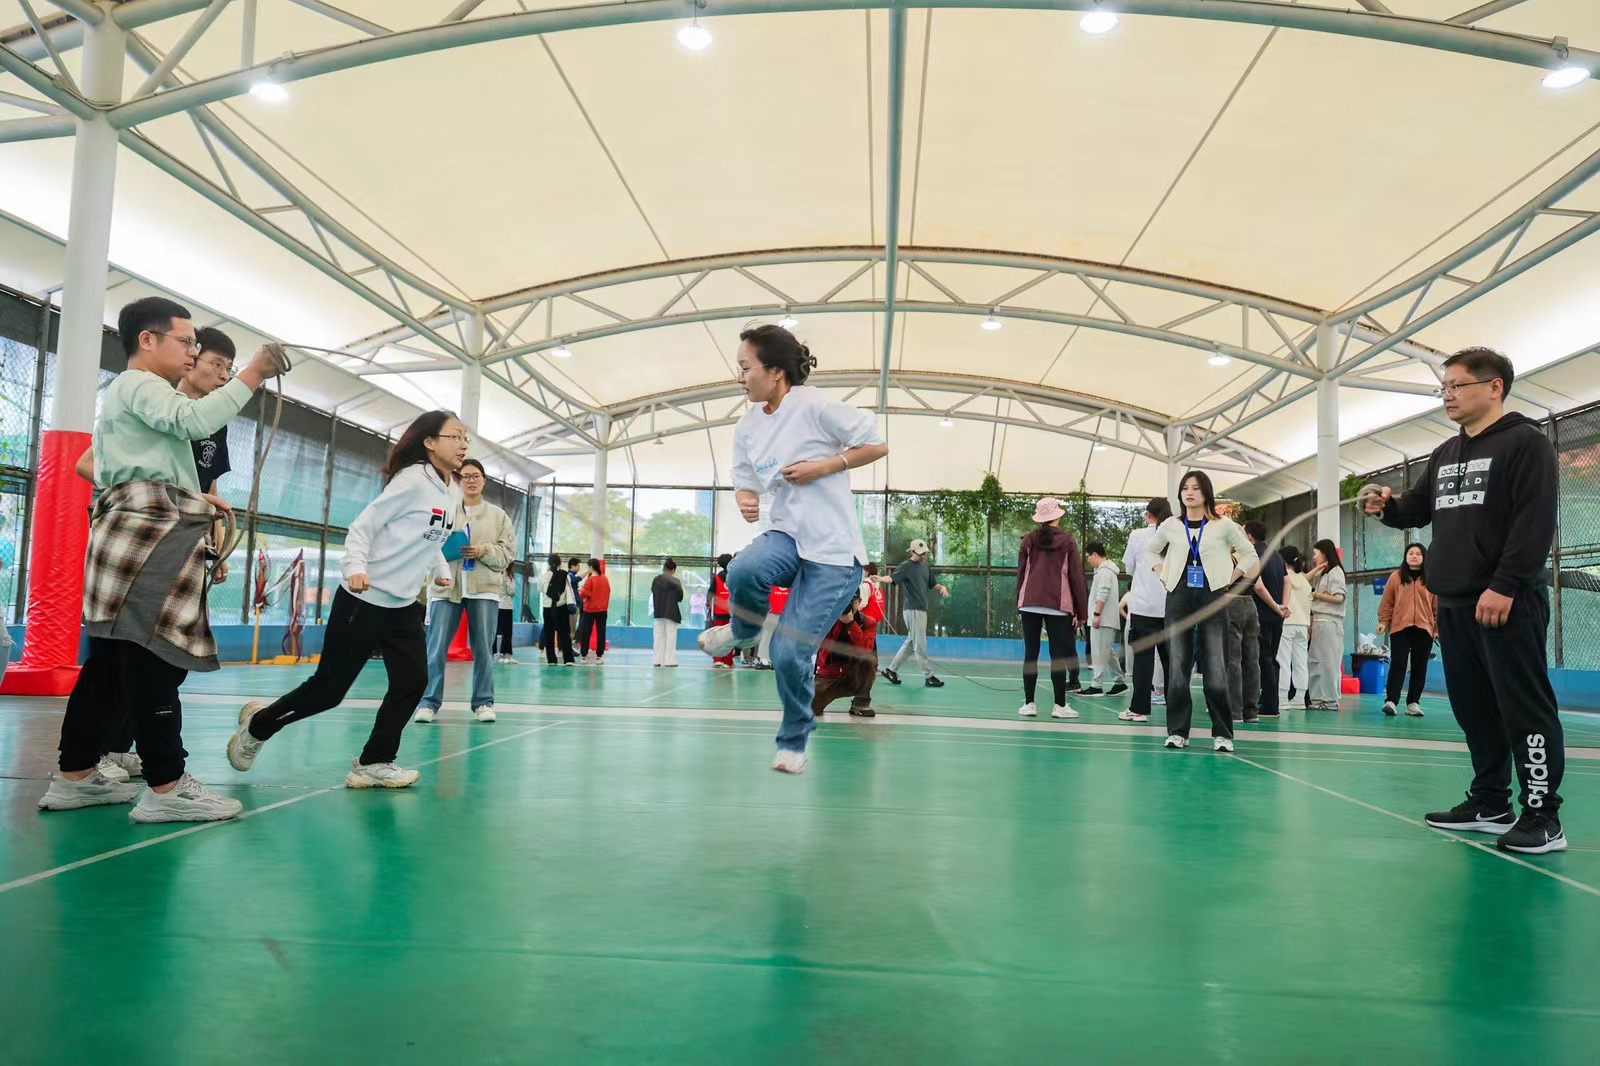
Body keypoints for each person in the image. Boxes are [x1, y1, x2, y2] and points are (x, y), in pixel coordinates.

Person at [38, 297, 283, 821]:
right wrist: (254, 374)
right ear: (147, 340)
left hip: (135, 528)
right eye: (187, 342)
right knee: (154, 658)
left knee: (108, 665)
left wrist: (195, 497)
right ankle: (167, 787)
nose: (194, 352)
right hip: (148, 532)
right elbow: (191, 421)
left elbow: (138, 456)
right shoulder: (140, 385)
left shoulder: (136, 397)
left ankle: (75, 776)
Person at [1363, 346, 1565, 854]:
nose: (1447, 396)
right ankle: (1491, 802)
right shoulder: (1445, 452)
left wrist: (1505, 585)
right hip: (1452, 602)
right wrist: (1386, 506)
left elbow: (1535, 522)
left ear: (1494, 387)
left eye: (1457, 386)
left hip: (1506, 600)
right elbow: (1416, 509)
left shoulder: (1526, 444)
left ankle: (1542, 816)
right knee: (1473, 708)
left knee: (1523, 707)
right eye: (1444, 387)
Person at [227, 410, 465, 788]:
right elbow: (362, 528)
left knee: (412, 682)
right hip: (363, 599)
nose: (463, 444)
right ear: (430, 442)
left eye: (466, 438)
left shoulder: (451, 490)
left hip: (403, 606)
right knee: (328, 691)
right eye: (455, 436)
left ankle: (374, 761)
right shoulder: (411, 481)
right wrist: (355, 566)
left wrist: (438, 566)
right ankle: (259, 725)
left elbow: (428, 536)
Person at [698, 323, 889, 773]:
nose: (740, 376)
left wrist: (824, 466)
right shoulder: (748, 425)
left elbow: (876, 444)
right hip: (787, 535)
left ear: (775, 371)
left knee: (787, 651)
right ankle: (744, 632)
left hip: (834, 554)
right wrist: (745, 498)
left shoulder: (815, 405)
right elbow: (745, 478)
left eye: (746, 367)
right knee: (743, 569)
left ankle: (794, 741)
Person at [71, 325, 242, 782]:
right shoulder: (152, 400)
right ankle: (129, 763)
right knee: (137, 655)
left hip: (186, 536)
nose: (223, 375)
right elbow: (87, 462)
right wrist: (148, 495)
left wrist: (213, 543)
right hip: (146, 534)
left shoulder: (212, 423)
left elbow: (206, 484)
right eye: (215, 362)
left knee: (150, 659)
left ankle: (110, 754)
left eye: (230, 369)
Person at [1145, 470, 1259, 753]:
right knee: (1177, 666)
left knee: (1216, 666)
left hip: (1212, 596)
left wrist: (1231, 577)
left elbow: (1250, 554)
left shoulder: (1224, 525)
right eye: (1185, 488)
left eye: (1195, 488)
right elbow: (1150, 551)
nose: (1189, 492)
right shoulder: (1171, 525)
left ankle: (1223, 733)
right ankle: (1177, 732)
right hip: (1178, 596)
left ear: (1206, 492)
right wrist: (1161, 573)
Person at [414, 458, 513, 724]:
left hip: (484, 589)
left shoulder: (498, 516)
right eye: (466, 476)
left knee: (483, 649)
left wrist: (482, 551)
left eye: (476, 475)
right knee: (435, 648)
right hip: (446, 587)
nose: (471, 480)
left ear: (484, 480)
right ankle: (428, 702)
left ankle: (484, 702)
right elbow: (426, 546)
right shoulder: (444, 512)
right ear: (458, 480)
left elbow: (506, 555)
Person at [1014, 497, 1087, 720]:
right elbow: (1076, 577)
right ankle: (1059, 706)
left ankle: (1029, 704)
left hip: (1029, 603)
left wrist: (1019, 603)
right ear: (1057, 516)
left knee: (1031, 654)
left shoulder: (1028, 540)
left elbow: (1021, 573)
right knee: (1057, 656)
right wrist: (1080, 612)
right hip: (1058, 604)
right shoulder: (1068, 541)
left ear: (1040, 518)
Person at [1121, 497, 1171, 722]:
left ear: (1148, 514)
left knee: (1143, 662)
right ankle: (1176, 709)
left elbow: (1130, 568)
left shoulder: (1138, 535)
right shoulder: (1175, 535)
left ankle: (1139, 709)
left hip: (1143, 607)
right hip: (1170, 607)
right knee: (1171, 662)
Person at [877, 539, 949, 687]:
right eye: (920, 553)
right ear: (912, 551)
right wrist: (879, 578)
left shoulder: (925, 567)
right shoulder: (905, 566)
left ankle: (891, 670)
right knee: (920, 644)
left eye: (924, 553)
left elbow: (933, 584)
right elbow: (892, 578)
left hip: (921, 610)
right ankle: (929, 676)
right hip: (913, 609)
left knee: (911, 642)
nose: (923, 556)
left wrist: (942, 587)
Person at [1378, 543, 1437, 717]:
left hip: (1424, 628)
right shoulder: (1396, 577)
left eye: (1418, 553)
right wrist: (1383, 621)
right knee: (1398, 662)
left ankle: (1413, 703)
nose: (1414, 556)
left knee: (1420, 666)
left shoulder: (1432, 578)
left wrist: (1437, 629)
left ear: (1424, 557)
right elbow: (1387, 601)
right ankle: (1391, 701)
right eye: (1411, 553)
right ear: (1405, 556)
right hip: (1400, 627)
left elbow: (1438, 605)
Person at [1245, 520, 1291, 719]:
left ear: (1249, 537)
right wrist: (1283, 606)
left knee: (1261, 659)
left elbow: (1258, 586)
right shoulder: (1276, 555)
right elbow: (1287, 581)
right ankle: (1271, 703)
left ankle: (1268, 705)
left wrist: (1275, 606)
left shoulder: (1252, 554)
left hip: (1261, 614)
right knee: (1271, 658)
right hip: (1277, 617)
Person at [812, 592, 878, 718]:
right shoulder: (827, 619)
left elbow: (865, 649)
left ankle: (861, 702)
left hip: (853, 674)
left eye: (850, 602)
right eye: (843, 602)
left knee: (869, 660)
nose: (846, 606)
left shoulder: (868, 622)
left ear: (859, 601)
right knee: (810, 710)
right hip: (829, 675)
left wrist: (851, 624)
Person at [1082, 542, 1128, 697]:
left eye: (1088, 556)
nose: (1088, 560)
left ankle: (1097, 685)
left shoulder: (1105, 572)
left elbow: (1103, 593)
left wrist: (1096, 614)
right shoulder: (1105, 571)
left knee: (1099, 652)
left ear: (1094, 554)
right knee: (1107, 653)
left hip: (1102, 619)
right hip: (1105, 619)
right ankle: (1120, 683)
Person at [1306, 540, 1347, 711]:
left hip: (1330, 621)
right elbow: (1304, 580)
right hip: (1319, 621)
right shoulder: (1323, 573)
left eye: (1316, 552)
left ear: (1324, 552)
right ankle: (1317, 698)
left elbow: (1339, 598)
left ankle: (1330, 699)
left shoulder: (1336, 572)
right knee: (1315, 661)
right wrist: (1318, 569)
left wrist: (1317, 595)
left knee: (1329, 662)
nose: (1315, 556)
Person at [1277, 546, 1312, 705]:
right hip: (1303, 625)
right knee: (1301, 662)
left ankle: (1282, 698)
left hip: (1286, 623)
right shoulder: (1304, 581)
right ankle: (1299, 699)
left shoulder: (1283, 578)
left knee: (1283, 661)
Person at [540, 553, 577, 665]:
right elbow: (568, 591)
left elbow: (540, 589)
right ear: (560, 563)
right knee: (564, 633)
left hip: (547, 607)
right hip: (561, 607)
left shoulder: (544, 576)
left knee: (549, 633)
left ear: (549, 563)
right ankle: (568, 659)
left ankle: (551, 659)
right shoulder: (565, 575)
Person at [651, 558, 684, 667]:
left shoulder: (656, 580)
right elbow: (680, 598)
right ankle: (669, 661)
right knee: (671, 637)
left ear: (664, 568)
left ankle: (657, 660)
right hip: (671, 613)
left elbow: (653, 591)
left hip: (658, 611)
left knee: (658, 637)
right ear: (673, 570)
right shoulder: (675, 581)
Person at [577, 557, 610, 664]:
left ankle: (584, 655)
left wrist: (580, 590)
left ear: (591, 567)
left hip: (589, 610)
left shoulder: (590, 580)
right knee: (601, 632)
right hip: (602, 610)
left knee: (585, 632)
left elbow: (584, 594)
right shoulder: (605, 579)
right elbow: (608, 592)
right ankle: (599, 656)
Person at [709, 553, 735, 670]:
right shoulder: (735, 577)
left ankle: (717, 660)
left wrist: (708, 604)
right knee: (730, 638)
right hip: (732, 612)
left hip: (719, 611)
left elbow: (711, 592)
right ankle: (727, 661)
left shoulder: (716, 578)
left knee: (718, 637)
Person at [495, 568, 517, 665]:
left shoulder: (497, 572)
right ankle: (506, 655)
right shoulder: (507, 575)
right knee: (507, 632)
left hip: (498, 604)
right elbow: (511, 591)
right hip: (506, 606)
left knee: (497, 631)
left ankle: (497, 654)